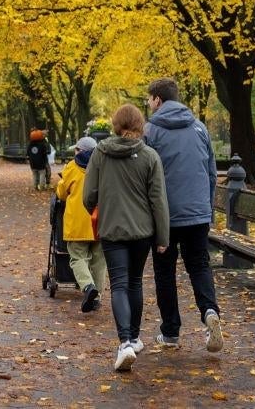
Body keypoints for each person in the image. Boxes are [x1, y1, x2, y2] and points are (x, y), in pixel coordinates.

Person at [83, 104, 169, 372]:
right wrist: (162, 236)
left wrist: (97, 210)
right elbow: (159, 200)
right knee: (135, 282)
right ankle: (133, 336)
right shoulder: (150, 156)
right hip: (142, 231)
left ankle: (124, 344)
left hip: (112, 230)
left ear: (115, 125)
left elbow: (89, 195)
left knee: (118, 283)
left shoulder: (101, 153)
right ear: (140, 126)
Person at [144, 77, 223, 353]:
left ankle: (171, 332)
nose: (147, 103)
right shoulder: (199, 128)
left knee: (164, 272)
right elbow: (211, 172)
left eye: (148, 98)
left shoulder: (150, 131)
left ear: (158, 100)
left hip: (165, 215)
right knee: (199, 265)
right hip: (197, 212)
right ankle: (210, 312)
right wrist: (207, 209)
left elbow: (145, 174)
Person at [55, 136, 105, 313]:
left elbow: (61, 193)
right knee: (99, 261)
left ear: (79, 150)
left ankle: (87, 286)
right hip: (99, 219)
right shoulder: (103, 165)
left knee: (77, 257)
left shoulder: (71, 167)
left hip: (78, 222)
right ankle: (97, 297)